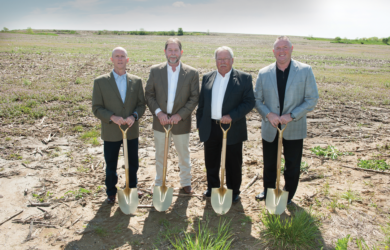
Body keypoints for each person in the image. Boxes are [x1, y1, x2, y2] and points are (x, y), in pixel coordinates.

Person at [254, 36, 319, 204]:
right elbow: (256, 99)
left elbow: (312, 99)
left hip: (294, 126)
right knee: (269, 163)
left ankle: (288, 196)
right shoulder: (264, 72)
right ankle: (268, 192)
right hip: (271, 126)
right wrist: (269, 115)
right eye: (278, 48)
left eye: (285, 47)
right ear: (273, 51)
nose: (281, 51)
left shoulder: (305, 70)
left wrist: (292, 115)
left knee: (292, 165)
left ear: (291, 49)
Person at [196, 46, 255, 203]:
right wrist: (199, 123)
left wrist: (232, 116)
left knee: (233, 161)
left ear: (232, 60)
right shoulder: (208, 77)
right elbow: (201, 104)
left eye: (226, 59)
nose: (223, 62)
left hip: (232, 127)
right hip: (211, 126)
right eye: (219, 59)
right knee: (211, 161)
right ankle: (213, 188)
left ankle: (233, 190)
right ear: (216, 61)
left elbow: (249, 102)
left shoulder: (244, 78)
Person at [145, 38, 199, 194]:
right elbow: (149, 94)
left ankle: (186, 182)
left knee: (184, 153)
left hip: (181, 122)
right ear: (165, 52)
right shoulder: (155, 71)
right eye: (170, 50)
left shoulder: (192, 73)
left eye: (176, 50)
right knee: (160, 154)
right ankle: (159, 182)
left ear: (181, 52)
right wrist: (158, 113)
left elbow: (194, 97)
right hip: (160, 121)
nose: (173, 53)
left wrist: (180, 115)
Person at [92, 47, 146, 204]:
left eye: (123, 56)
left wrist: (134, 116)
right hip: (111, 131)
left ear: (127, 60)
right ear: (112, 60)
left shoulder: (136, 81)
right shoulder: (100, 82)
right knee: (111, 163)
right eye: (117, 56)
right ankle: (111, 192)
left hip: (131, 130)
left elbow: (141, 105)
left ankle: (132, 188)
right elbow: (96, 107)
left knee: (133, 163)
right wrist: (111, 117)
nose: (120, 59)